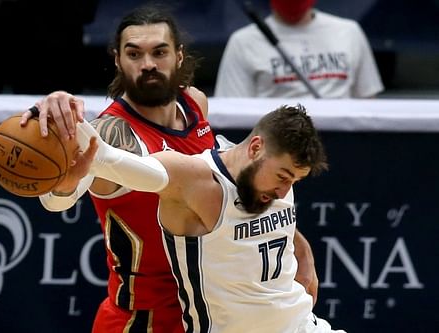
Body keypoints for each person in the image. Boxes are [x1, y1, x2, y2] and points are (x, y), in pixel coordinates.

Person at [21, 5, 319, 333]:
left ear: (178, 56)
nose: (147, 64)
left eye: (158, 52)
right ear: (117, 59)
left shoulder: (194, 104)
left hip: (204, 314)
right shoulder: (110, 133)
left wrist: (301, 251)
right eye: (134, 54)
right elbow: (55, 201)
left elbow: (234, 198)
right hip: (142, 319)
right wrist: (62, 160)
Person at [73, 104, 345, 333]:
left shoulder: (272, 181)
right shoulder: (192, 179)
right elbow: (112, 162)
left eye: (295, 181)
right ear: (256, 148)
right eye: (283, 178)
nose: (284, 191)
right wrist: (69, 122)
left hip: (304, 325)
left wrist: (305, 253)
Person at [214, 0, 384, 98]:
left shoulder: (349, 32)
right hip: (274, 150)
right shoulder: (243, 42)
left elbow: (367, 103)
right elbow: (233, 113)